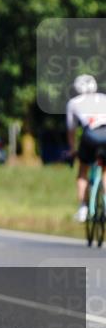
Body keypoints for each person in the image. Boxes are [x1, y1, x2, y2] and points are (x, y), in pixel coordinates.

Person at [67, 74, 106, 222]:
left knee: (83, 170)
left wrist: (72, 150)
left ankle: (83, 208)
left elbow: (71, 130)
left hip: (91, 135)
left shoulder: (73, 103)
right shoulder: (103, 98)